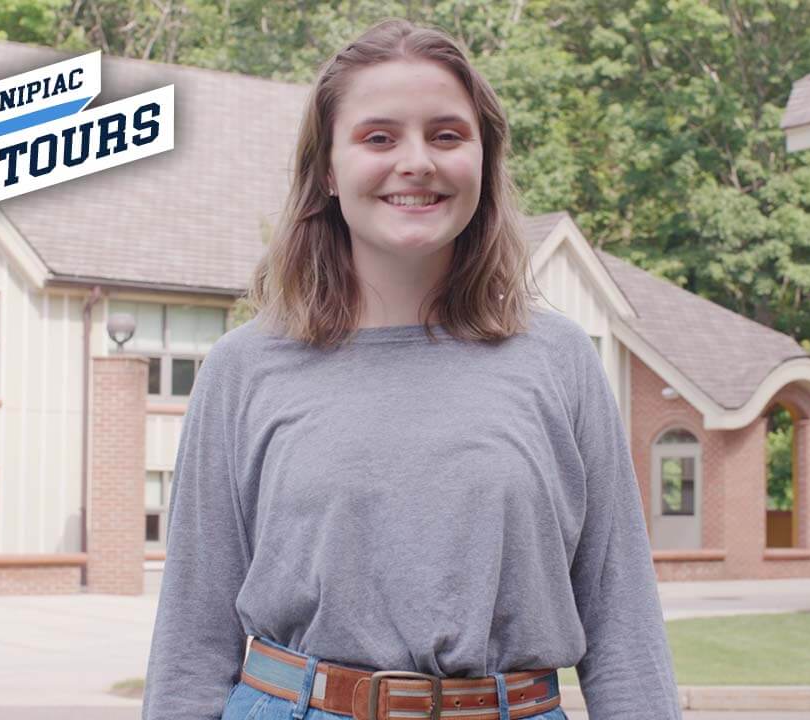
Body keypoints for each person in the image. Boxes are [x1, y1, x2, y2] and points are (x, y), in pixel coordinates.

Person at [142, 17, 681, 720]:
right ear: (327, 172)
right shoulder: (243, 369)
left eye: (448, 135)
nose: (417, 161)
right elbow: (192, 638)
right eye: (379, 137)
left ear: (483, 164)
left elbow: (623, 625)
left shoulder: (560, 361)